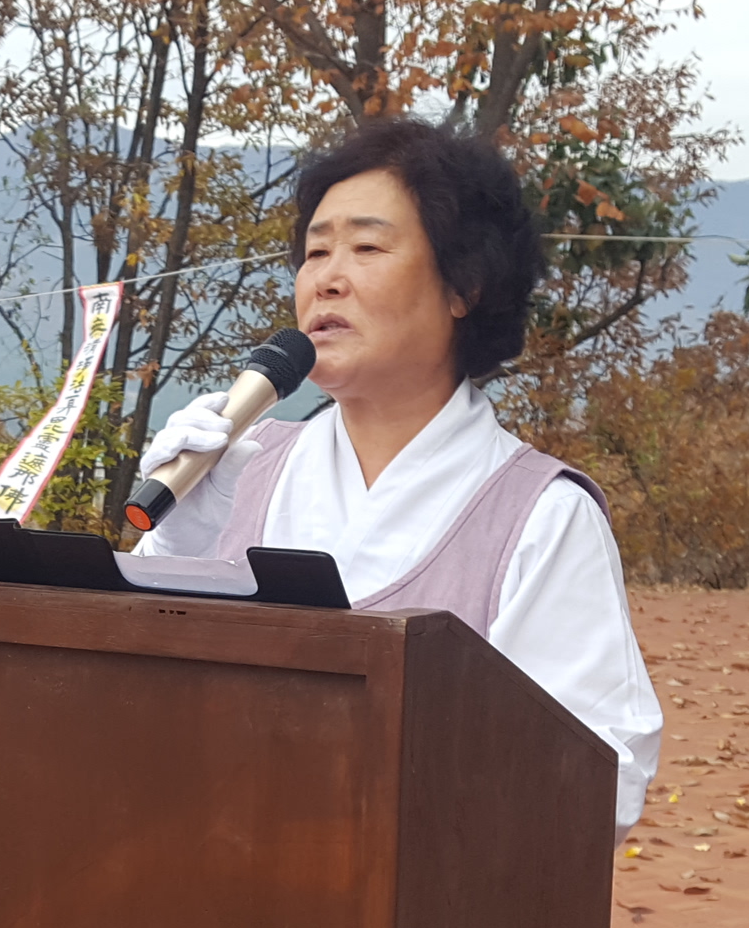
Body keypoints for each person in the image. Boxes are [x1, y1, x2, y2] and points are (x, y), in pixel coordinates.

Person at [131, 117, 664, 835]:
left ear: (463, 286)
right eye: (315, 252)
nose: (327, 279)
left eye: (367, 248)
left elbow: (601, 775)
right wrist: (178, 549)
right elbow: (137, 702)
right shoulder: (238, 470)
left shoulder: (538, 515)